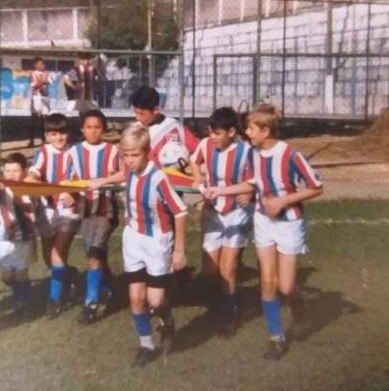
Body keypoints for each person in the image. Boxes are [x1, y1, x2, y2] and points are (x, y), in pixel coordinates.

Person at [204, 104, 323, 361]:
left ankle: (300, 311)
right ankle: (277, 339)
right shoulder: (253, 154)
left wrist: (283, 201)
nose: (246, 132)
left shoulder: (291, 155)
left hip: (289, 224)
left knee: (287, 285)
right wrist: (220, 191)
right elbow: (251, 183)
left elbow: (316, 186)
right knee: (267, 282)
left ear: (266, 130)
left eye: (250, 128)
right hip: (263, 221)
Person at [118, 123, 188, 368]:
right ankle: (146, 345)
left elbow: (180, 212)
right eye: (125, 155)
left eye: (134, 155)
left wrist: (178, 250)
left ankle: (167, 321)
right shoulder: (128, 172)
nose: (129, 160)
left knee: (156, 301)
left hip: (157, 242)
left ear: (147, 153)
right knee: (136, 297)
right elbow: (125, 189)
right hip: (133, 240)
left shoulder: (158, 178)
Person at [189, 107, 254, 336]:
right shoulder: (205, 145)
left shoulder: (246, 151)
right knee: (209, 270)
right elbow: (194, 160)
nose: (212, 137)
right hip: (212, 213)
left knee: (227, 269)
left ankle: (230, 312)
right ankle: (219, 302)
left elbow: (256, 181)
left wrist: (251, 193)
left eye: (217, 133)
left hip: (237, 213)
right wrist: (198, 180)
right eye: (210, 132)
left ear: (232, 132)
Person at [66, 109, 119, 324]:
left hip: (107, 208)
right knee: (96, 253)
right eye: (89, 127)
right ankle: (107, 288)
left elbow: (122, 173)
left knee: (95, 254)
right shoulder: (74, 152)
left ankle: (91, 303)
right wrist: (68, 195)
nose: (93, 131)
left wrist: (104, 181)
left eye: (98, 127)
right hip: (85, 208)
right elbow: (69, 179)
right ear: (82, 129)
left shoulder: (112, 151)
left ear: (104, 129)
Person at [27, 112, 80, 317]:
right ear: (47, 136)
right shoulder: (44, 152)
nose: (59, 138)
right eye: (53, 134)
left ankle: (54, 300)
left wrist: (75, 195)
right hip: (46, 208)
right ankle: (71, 277)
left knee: (58, 253)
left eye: (62, 133)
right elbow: (34, 173)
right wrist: (31, 180)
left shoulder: (75, 152)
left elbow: (82, 178)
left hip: (68, 209)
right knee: (51, 260)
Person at [0, 152, 36, 317]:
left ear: (23, 171)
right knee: (7, 276)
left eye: (15, 170)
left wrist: (19, 200)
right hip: (3, 238)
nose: (11, 174)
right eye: (8, 171)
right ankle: (20, 294)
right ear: (2, 171)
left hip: (22, 237)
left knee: (21, 273)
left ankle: (22, 304)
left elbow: (31, 210)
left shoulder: (26, 189)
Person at [130, 86, 199, 169]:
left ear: (156, 110)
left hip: (173, 177)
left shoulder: (173, 126)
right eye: (135, 112)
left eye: (141, 114)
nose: (137, 117)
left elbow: (197, 148)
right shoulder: (134, 130)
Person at [29, 57, 51, 147]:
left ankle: (44, 139)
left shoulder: (46, 74)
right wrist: (42, 81)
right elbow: (34, 86)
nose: (43, 66)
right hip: (36, 98)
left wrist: (43, 81)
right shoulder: (33, 73)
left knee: (44, 119)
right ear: (36, 65)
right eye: (41, 64)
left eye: (44, 64)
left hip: (45, 98)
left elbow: (48, 82)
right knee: (34, 119)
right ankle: (32, 140)